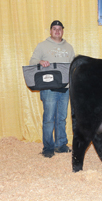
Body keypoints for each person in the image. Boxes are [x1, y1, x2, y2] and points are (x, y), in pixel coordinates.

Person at [29, 20, 75, 158]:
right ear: (50, 31)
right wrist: (40, 62)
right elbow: (32, 62)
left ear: (62, 31)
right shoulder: (42, 46)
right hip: (48, 87)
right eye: (54, 28)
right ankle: (48, 147)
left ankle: (60, 145)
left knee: (61, 117)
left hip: (65, 87)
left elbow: (73, 66)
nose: (57, 31)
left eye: (59, 29)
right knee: (49, 118)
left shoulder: (69, 47)